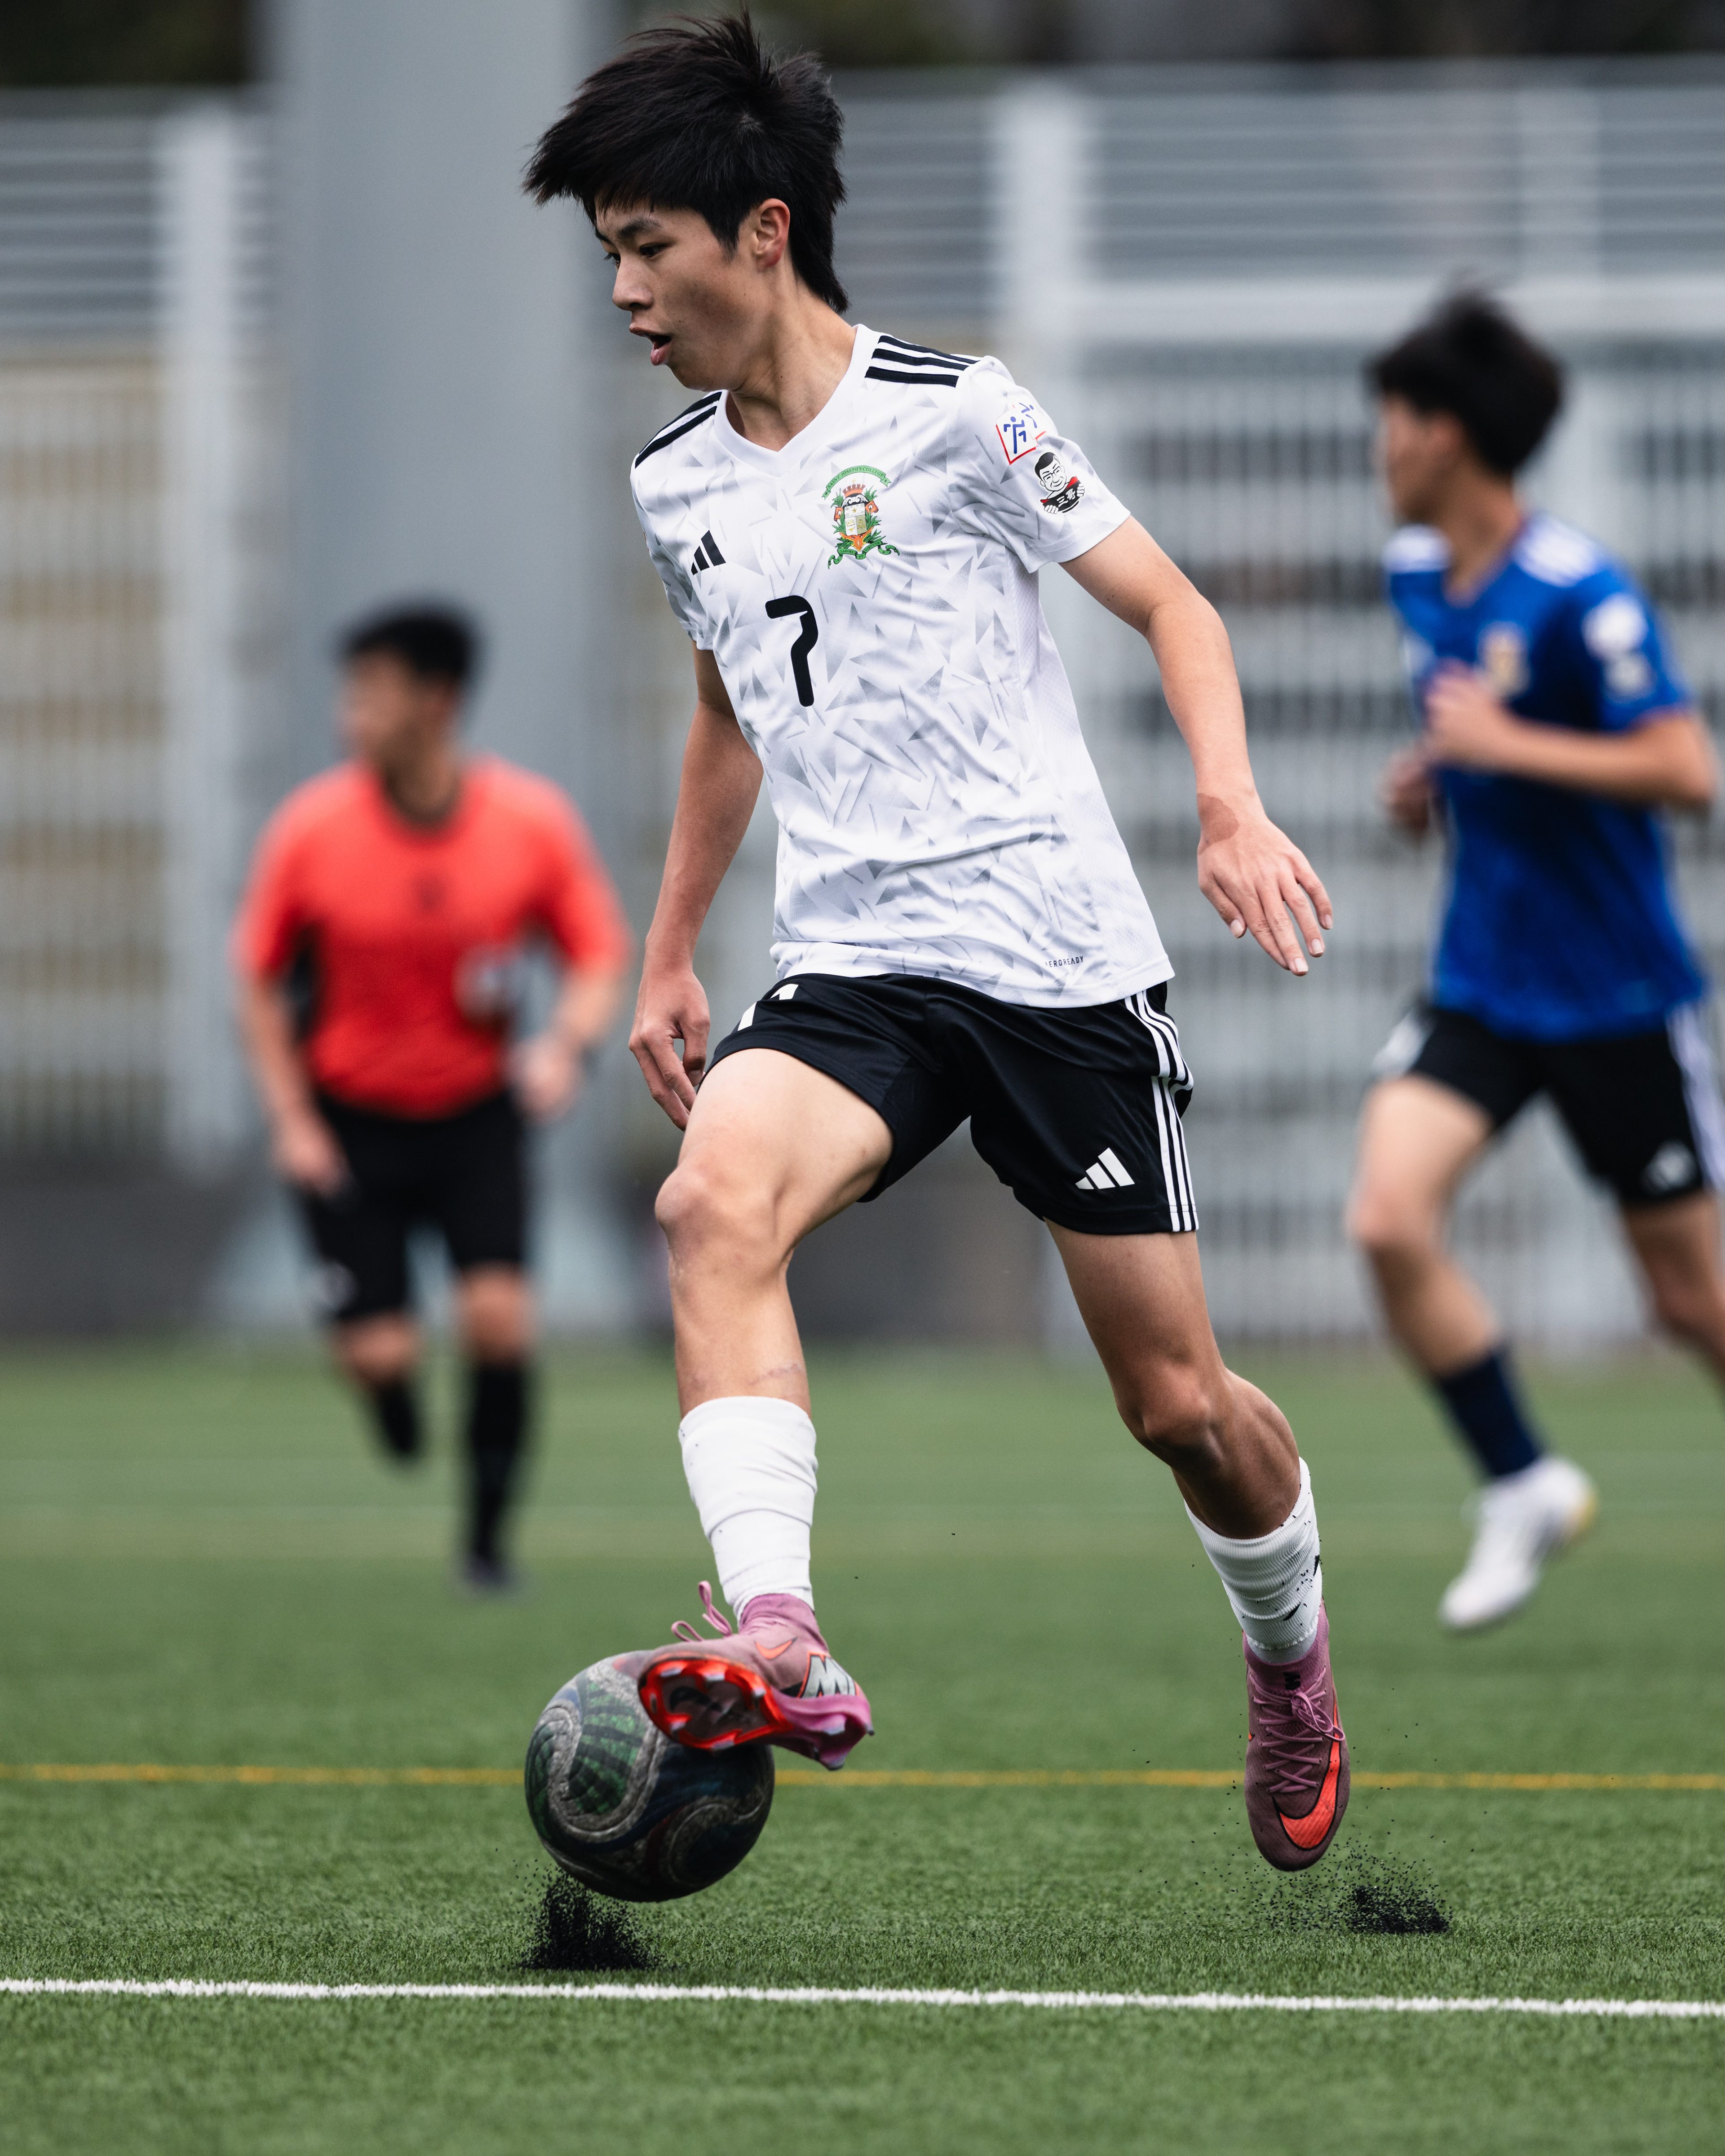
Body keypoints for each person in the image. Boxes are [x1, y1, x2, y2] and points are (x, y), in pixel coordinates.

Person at [526, 12, 1348, 1871]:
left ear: (760, 230)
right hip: (858, 962)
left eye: (646, 247)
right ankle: (779, 1627)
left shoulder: (959, 411)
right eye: (608, 260)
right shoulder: (675, 484)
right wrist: (670, 950)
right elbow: (733, 711)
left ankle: (1291, 1656)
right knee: (707, 1208)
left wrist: (1226, 804)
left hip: (1054, 956)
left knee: (1178, 1406)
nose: (629, 292)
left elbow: (1177, 609)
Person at [1348, 294, 1724, 1631]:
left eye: (1397, 415)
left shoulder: (1581, 593)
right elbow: (1472, 749)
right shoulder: (1414, 573)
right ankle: (1521, 1481)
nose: (1382, 439)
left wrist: (1511, 749)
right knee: (1389, 1218)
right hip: (1484, 984)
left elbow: (1687, 769)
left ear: (1447, 432)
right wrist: (1432, 785)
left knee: (1692, 1304)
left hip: (1617, 998)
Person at [232, 604, 632, 1590]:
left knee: (500, 1322)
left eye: (371, 692)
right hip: (348, 1124)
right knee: (379, 1355)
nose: (350, 714)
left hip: (473, 1117)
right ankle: (389, 1393)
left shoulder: (528, 825)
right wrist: (290, 1121)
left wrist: (566, 1046)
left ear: (438, 701)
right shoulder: (311, 832)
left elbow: (597, 952)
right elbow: (255, 980)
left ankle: (488, 1549)